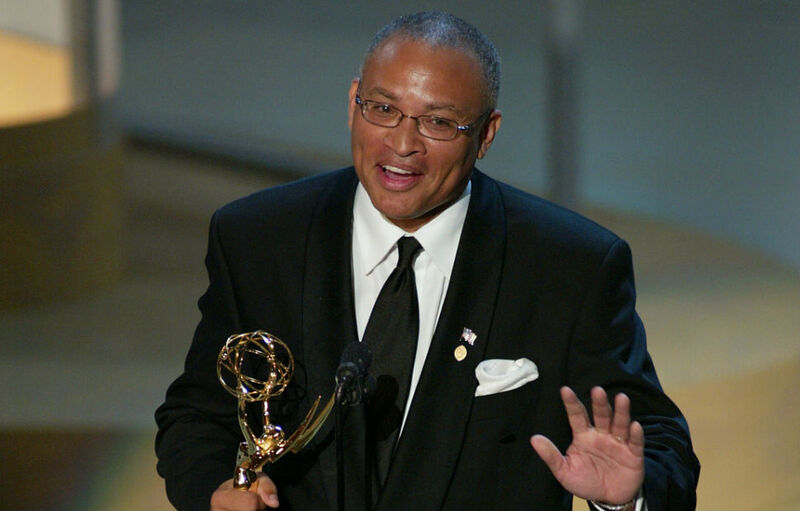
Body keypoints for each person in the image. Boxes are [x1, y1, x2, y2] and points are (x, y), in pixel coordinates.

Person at [155, 11, 699, 511]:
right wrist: (214, 494)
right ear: (353, 102)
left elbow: (659, 443)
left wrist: (626, 500)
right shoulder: (258, 238)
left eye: (437, 122)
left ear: (485, 134)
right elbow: (196, 418)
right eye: (383, 109)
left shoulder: (569, 267)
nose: (402, 144)